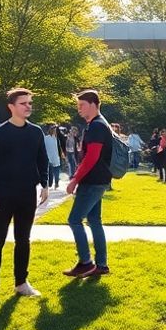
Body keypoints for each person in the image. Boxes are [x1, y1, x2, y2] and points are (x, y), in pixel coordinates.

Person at [0, 88, 50, 305]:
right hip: (1, 195)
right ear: (11, 106)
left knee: (23, 240)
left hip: (26, 194)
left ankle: (21, 283)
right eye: (24, 103)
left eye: (30, 102)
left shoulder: (36, 132)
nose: (28, 106)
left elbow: (42, 160)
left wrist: (45, 186)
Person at [64, 90, 114, 278]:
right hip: (99, 180)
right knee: (94, 221)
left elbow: (92, 156)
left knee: (74, 220)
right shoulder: (99, 124)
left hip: (92, 181)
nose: (79, 109)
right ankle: (101, 265)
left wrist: (75, 179)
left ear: (93, 104)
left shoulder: (97, 126)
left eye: (81, 105)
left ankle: (86, 263)